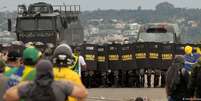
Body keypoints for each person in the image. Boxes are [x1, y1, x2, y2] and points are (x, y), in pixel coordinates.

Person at [3, 59, 88, 101]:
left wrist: (21, 85)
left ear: (37, 72)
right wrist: (69, 82)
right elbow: (83, 94)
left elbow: (7, 96)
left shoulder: (29, 87)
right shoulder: (61, 86)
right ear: (51, 72)